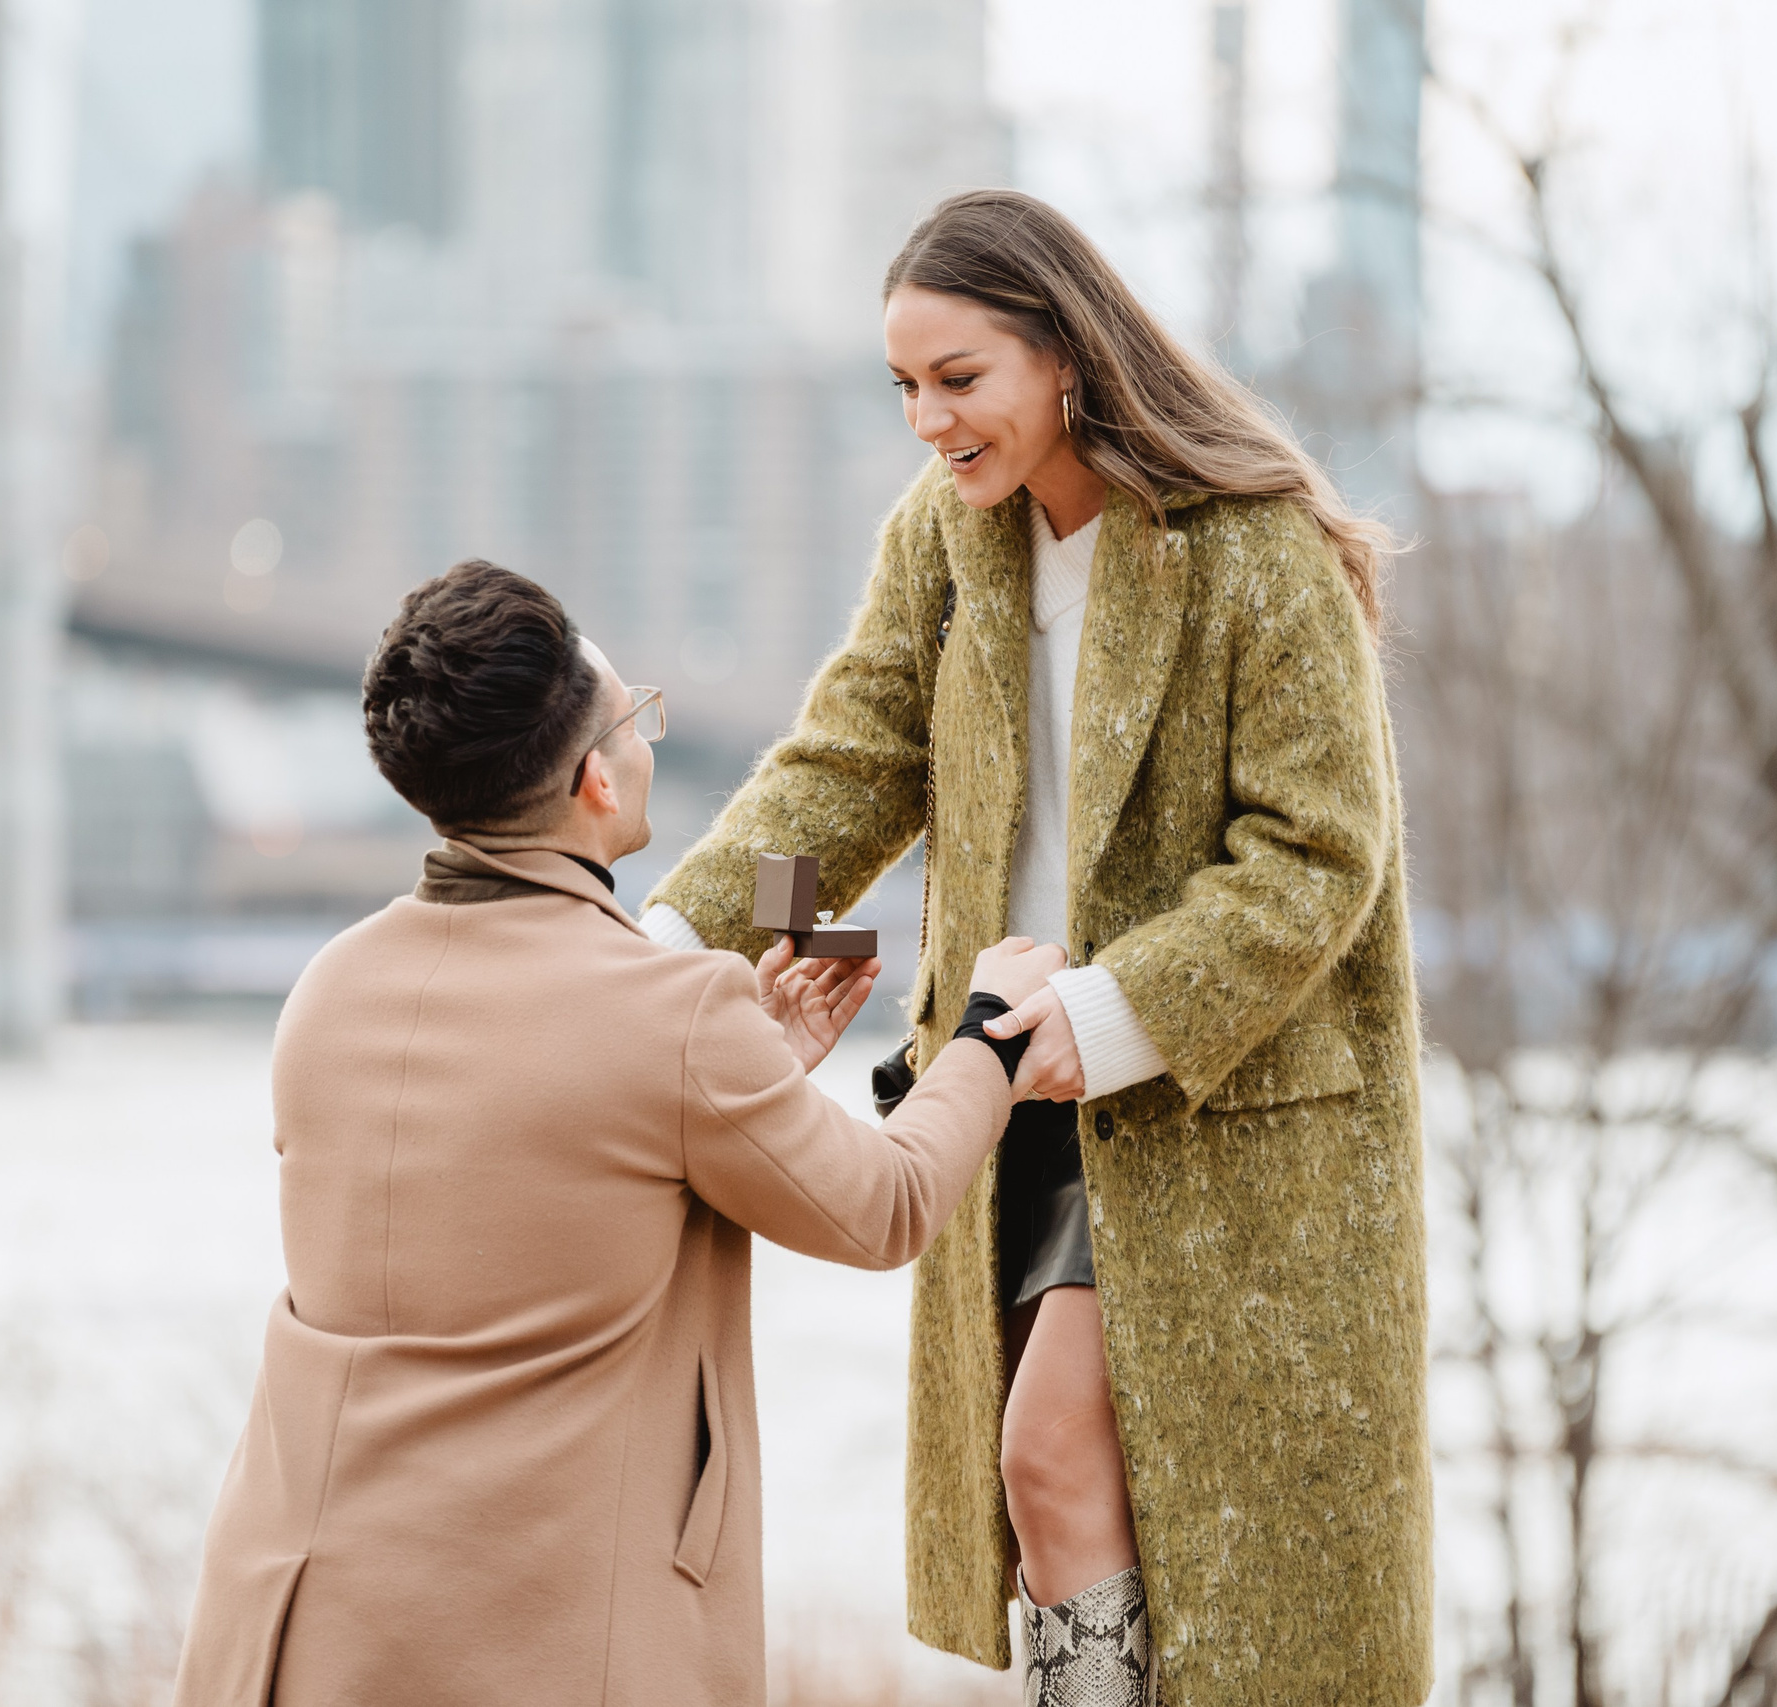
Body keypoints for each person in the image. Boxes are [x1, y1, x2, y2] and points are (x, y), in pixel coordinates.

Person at [640, 190, 1431, 1706]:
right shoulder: (947, 542)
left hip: (1222, 1117)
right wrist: (666, 947)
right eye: (904, 387)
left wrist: (1115, 1009)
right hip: (1013, 1097)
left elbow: (1321, 854)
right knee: (1051, 1508)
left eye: (959, 378)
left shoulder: (1255, 550)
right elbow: (846, 766)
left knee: (1059, 1455)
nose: (928, 421)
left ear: (1067, 355)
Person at [168, 559, 1065, 1707]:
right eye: (635, 718)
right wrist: (987, 1039)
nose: (643, 739)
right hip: (533, 1633)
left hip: (296, 1623)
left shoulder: (329, 990)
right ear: (596, 778)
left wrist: (759, 1082)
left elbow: (535, 1187)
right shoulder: (674, 1017)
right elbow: (886, 1206)